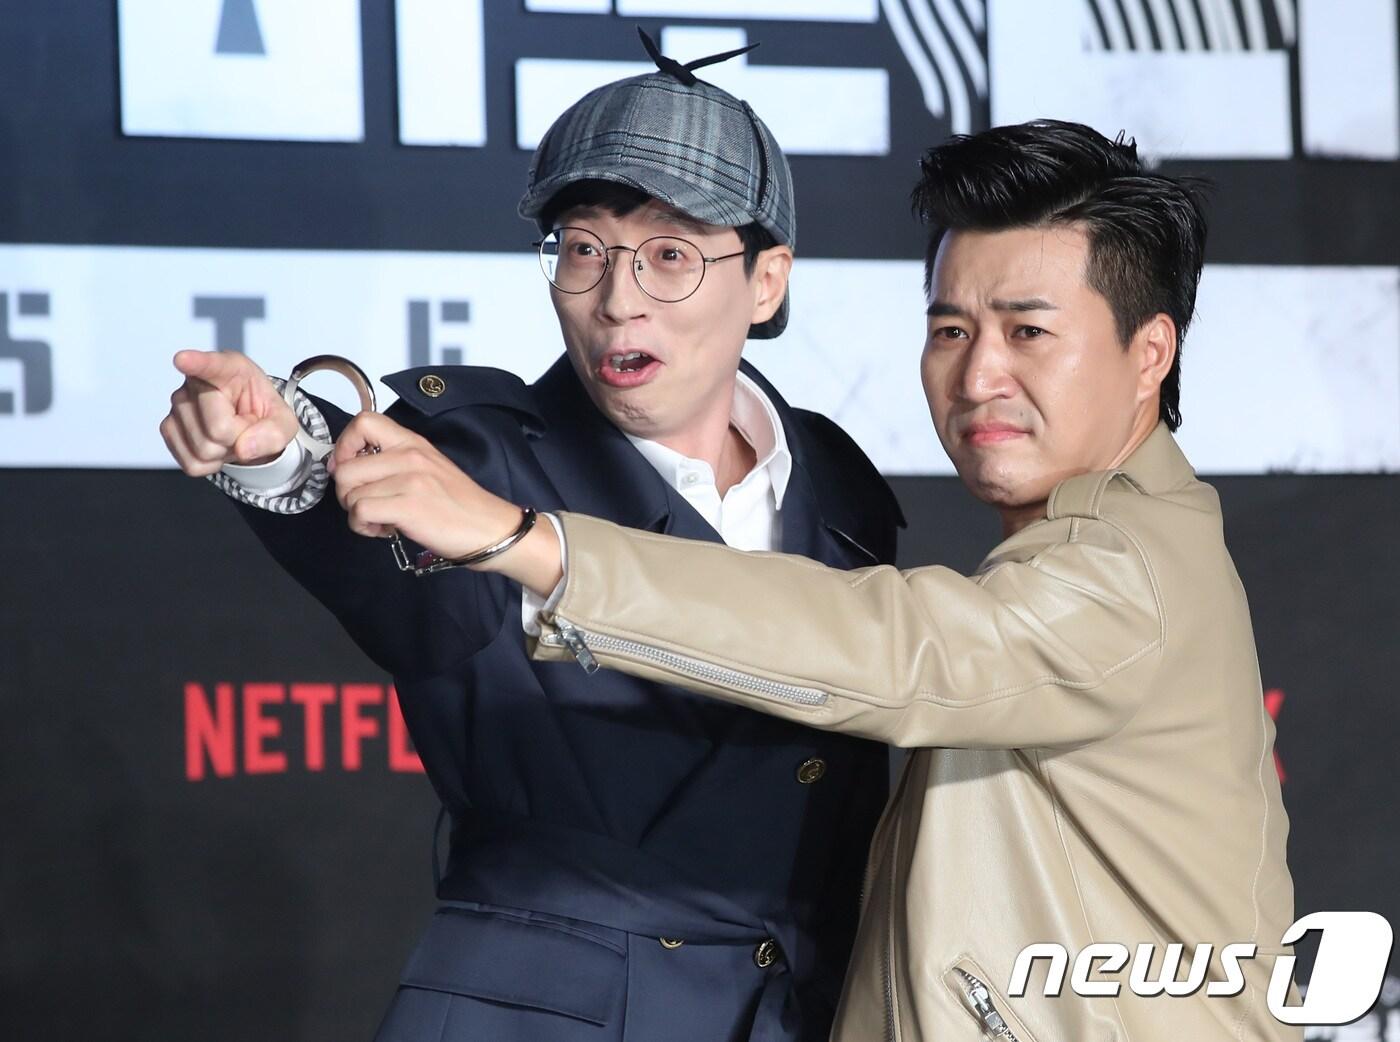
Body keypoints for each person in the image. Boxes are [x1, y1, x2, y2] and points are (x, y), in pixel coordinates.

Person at [332, 120, 1299, 1041]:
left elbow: (890, 647)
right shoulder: (1088, 545)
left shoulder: (1130, 572)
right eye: (951, 330)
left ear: (1150, 353)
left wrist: (525, 540)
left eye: (1029, 333)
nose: (978, 377)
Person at [158, 34, 902, 1042]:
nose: (617, 299)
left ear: (765, 281)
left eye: (670, 255)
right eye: (583, 248)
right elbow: (378, 523)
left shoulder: (838, 481)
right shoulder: (482, 459)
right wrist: (279, 448)